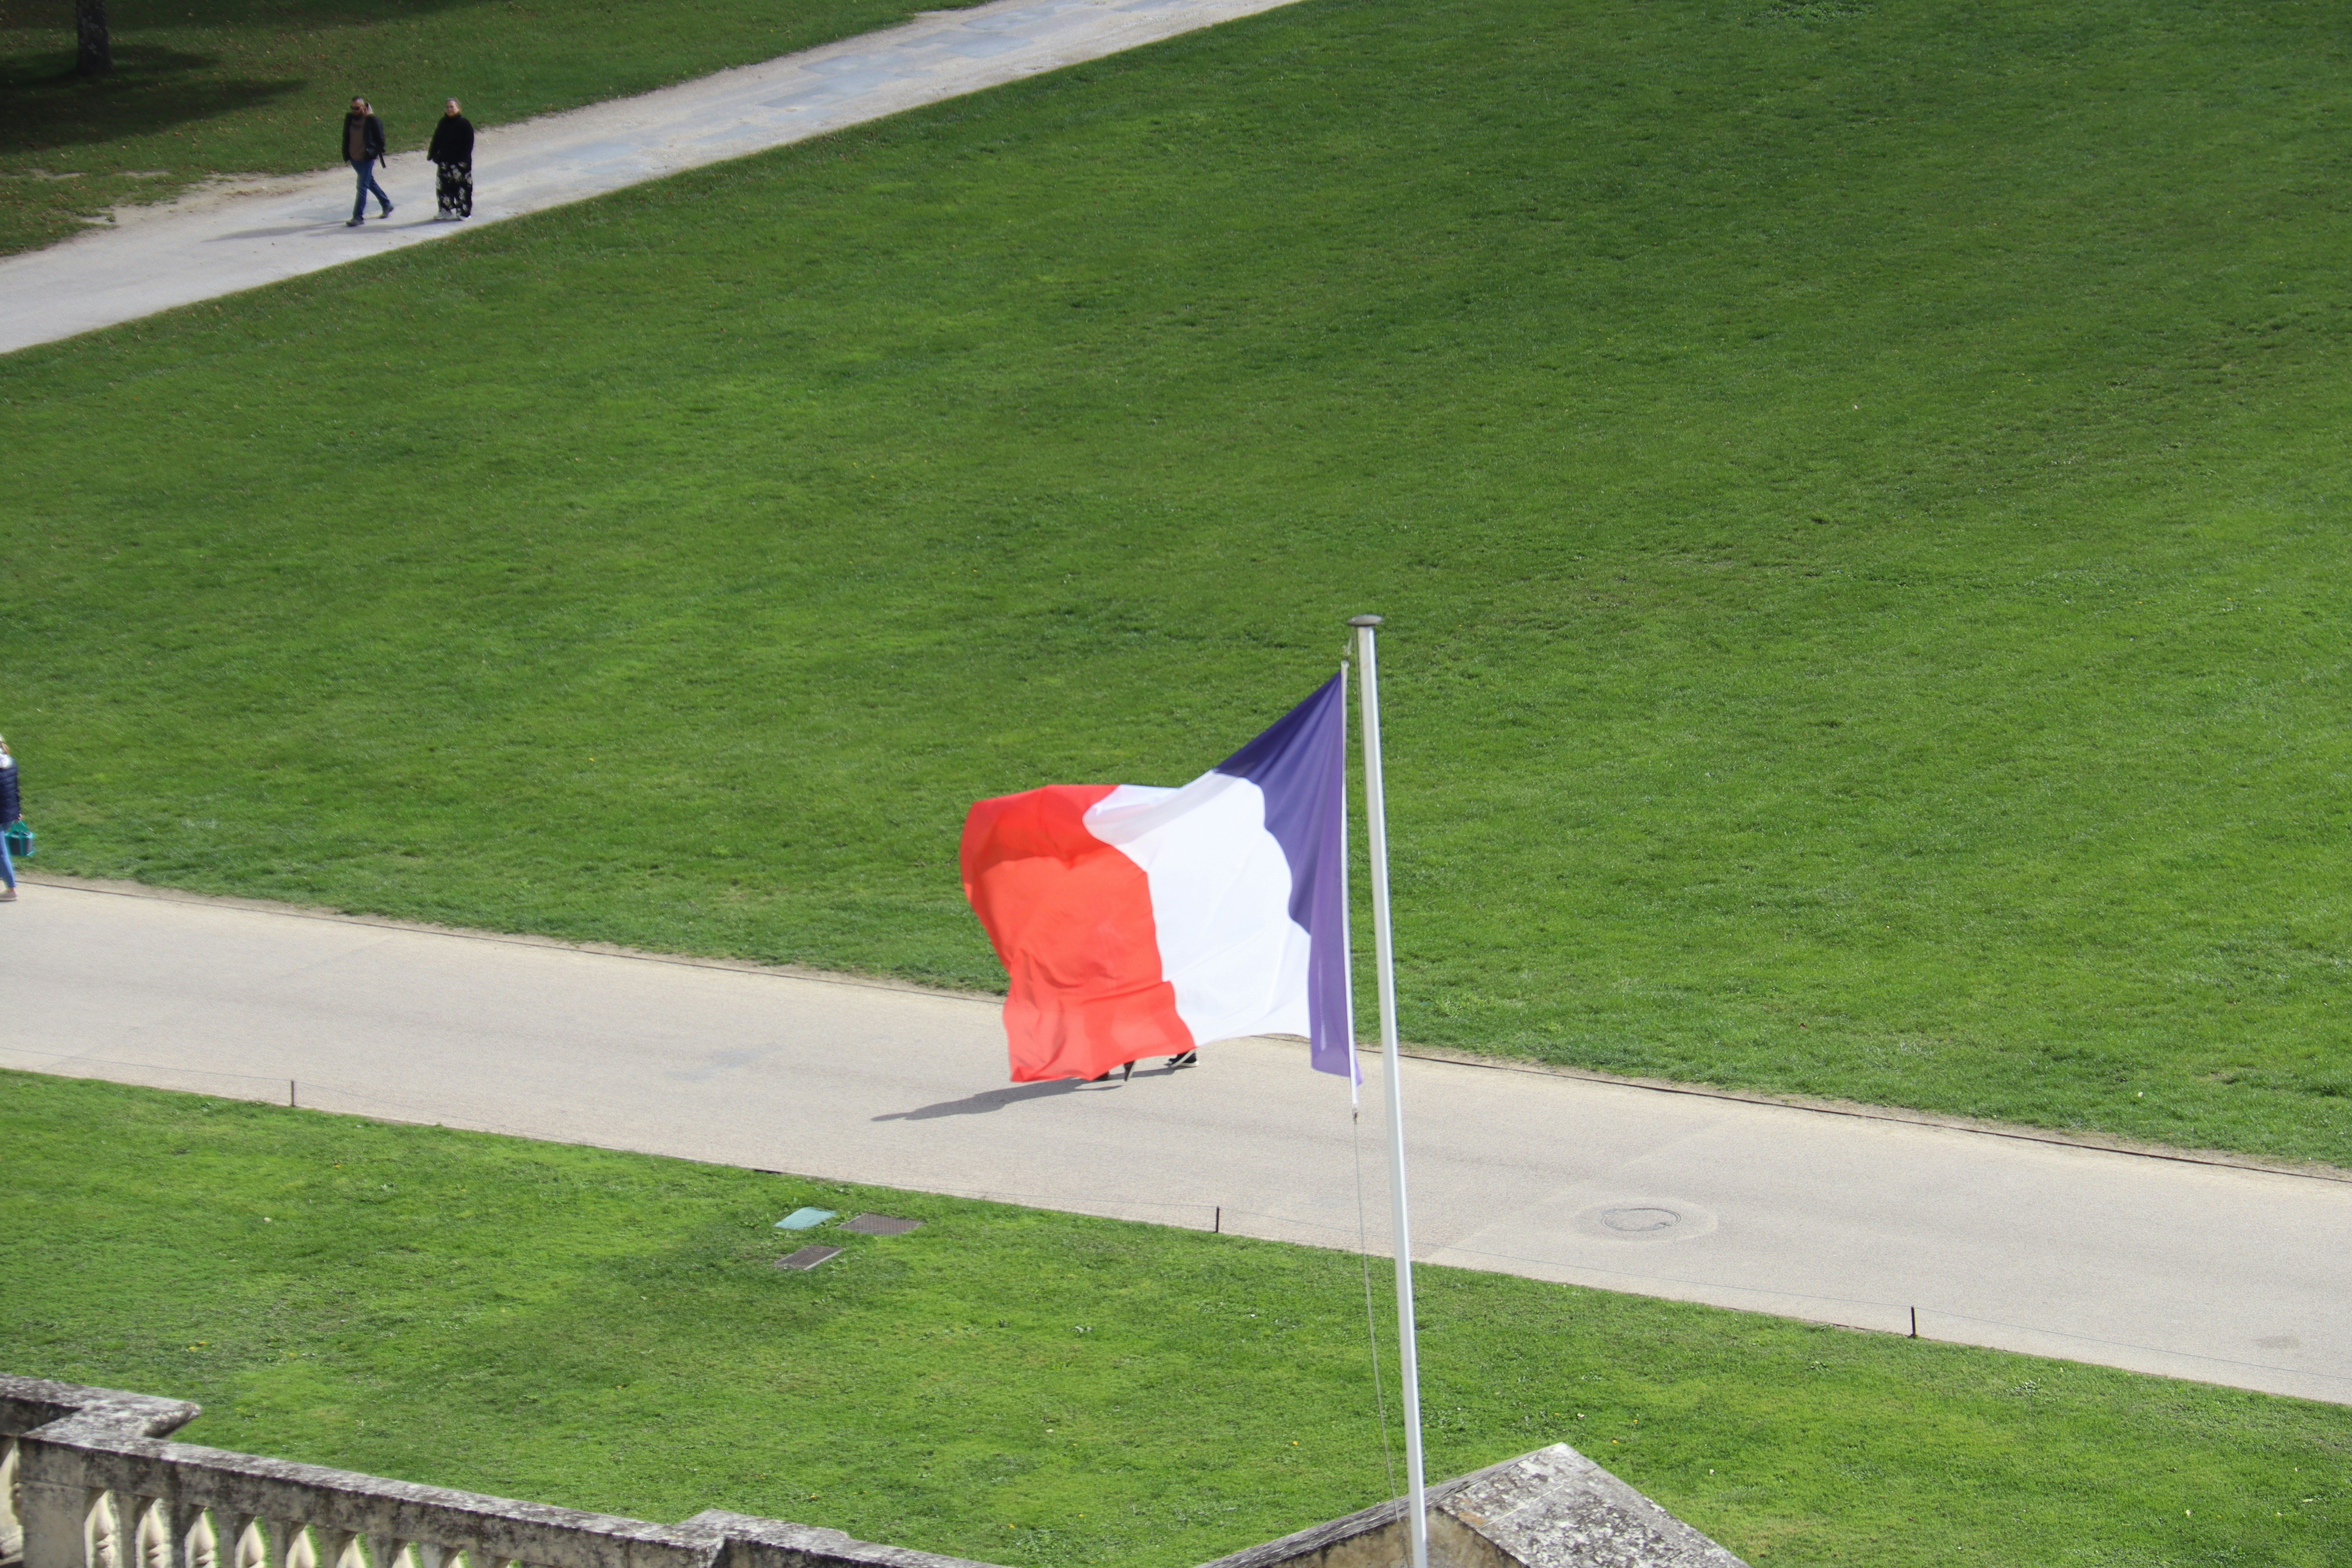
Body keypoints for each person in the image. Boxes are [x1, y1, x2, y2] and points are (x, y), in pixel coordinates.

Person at [343, 96, 392, 227]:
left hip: (367, 159)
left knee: (361, 186)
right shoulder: (350, 119)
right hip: (354, 158)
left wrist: (372, 154)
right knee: (369, 182)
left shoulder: (373, 120)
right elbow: (346, 137)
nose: (355, 111)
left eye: (357, 108)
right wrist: (347, 154)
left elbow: (381, 142)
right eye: (352, 108)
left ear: (364, 106)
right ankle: (387, 204)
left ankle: (358, 216)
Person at [429, 99, 475, 220]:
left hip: (460, 163)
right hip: (445, 162)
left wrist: (464, 160)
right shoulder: (443, 122)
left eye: (452, 107)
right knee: (443, 187)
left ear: (458, 108)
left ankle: (464, 212)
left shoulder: (464, 123)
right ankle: (445, 210)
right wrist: (433, 154)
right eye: (448, 107)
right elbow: (436, 139)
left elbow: (469, 143)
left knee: (462, 187)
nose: (449, 109)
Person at [0, 733, 22, 904]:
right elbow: (15, 789)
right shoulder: (10, 762)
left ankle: (11, 889)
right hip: (9, 813)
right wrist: (18, 811)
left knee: (1, 853)